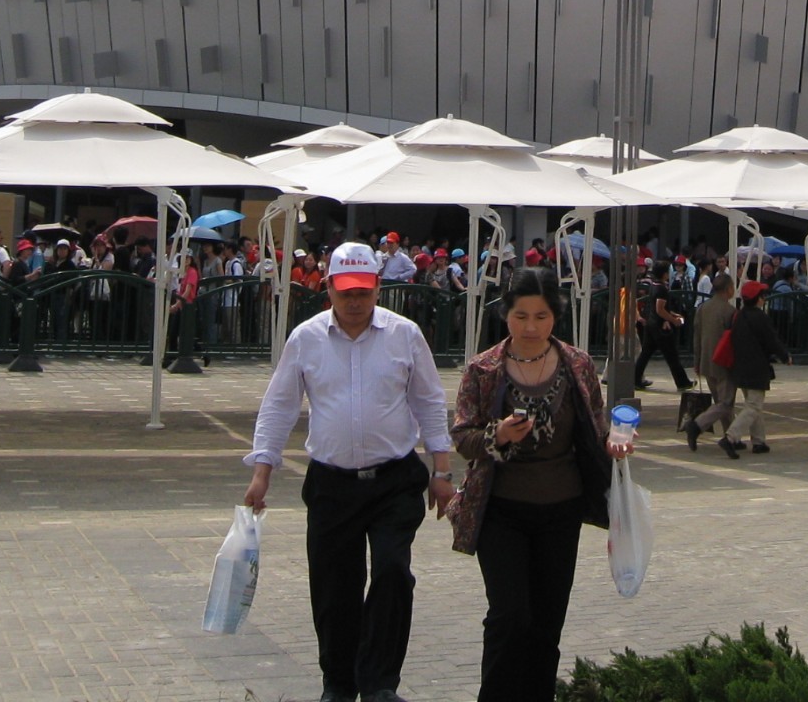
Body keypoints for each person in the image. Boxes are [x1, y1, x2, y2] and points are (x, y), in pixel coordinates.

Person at [244, 241, 454, 702]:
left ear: (378, 287)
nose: (355, 302)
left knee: (393, 572)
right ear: (329, 291)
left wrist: (441, 468)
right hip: (331, 484)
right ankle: (338, 684)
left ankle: (379, 683)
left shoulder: (405, 335)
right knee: (334, 587)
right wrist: (263, 470)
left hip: (394, 481)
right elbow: (279, 406)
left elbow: (429, 400)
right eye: (345, 293)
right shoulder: (306, 338)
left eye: (363, 291)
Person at [449, 267, 629, 702]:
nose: (531, 327)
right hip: (501, 509)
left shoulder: (578, 365)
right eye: (521, 316)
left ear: (555, 318)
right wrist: (498, 435)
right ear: (505, 316)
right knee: (509, 615)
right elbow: (462, 438)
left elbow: (596, 431)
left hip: (560, 509)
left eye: (542, 316)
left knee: (547, 622)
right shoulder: (484, 369)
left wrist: (618, 444)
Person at [720, 279, 789, 458]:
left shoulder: (738, 315)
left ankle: (759, 441)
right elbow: (772, 340)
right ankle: (731, 436)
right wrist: (785, 356)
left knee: (753, 403)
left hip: (740, 367)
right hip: (757, 367)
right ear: (758, 299)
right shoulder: (760, 317)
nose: (764, 299)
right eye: (762, 296)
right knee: (754, 405)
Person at [686, 272, 738, 450]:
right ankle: (698, 425)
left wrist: (697, 360)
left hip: (706, 360)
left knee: (721, 401)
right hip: (724, 362)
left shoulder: (702, 308)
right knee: (725, 403)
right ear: (728, 289)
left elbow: (697, 336)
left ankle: (731, 436)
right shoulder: (730, 311)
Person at [632, 260, 692, 391]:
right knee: (671, 355)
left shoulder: (654, 285)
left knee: (646, 353)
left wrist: (673, 314)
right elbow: (660, 309)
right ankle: (683, 382)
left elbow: (659, 307)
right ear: (665, 273)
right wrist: (673, 320)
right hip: (660, 327)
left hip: (651, 324)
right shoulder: (661, 288)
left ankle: (635, 379)